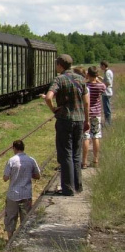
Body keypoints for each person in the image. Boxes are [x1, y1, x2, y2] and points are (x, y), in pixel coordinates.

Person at [44, 54, 90, 196]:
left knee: (66, 154)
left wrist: (53, 109)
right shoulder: (81, 80)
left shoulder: (59, 79)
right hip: (79, 119)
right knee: (76, 154)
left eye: (56, 64)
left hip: (65, 120)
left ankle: (67, 188)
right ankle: (78, 186)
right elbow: (86, 102)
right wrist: (86, 120)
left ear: (60, 65)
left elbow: (49, 97)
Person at [3, 140, 41, 240]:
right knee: (25, 218)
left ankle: (10, 239)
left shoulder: (11, 160)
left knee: (11, 217)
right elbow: (37, 175)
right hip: (26, 194)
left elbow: (5, 178)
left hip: (13, 194)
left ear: (14, 148)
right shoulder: (31, 160)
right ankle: (24, 238)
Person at [83, 66, 106, 168]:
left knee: (86, 137)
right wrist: (98, 78)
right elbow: (104, 88)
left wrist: (86, 78)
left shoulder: (85, 86)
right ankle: (95, 159)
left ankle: (84, 161)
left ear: (88, 74)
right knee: (96, 136)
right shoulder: (100, 86)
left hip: (86, 114)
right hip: (96, 114)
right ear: (96, 75)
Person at [100, 60, 113, 126]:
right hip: (108, 92)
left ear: (104, 66)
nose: (100, 67)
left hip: (106, 92)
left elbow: (108, 82)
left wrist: (101, 84)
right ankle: (108, 122)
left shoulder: (107, 72)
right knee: (107, 108)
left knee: (107, 108)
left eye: (101, 66)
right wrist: (101, 78)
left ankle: (108, 123)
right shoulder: (108, 71)